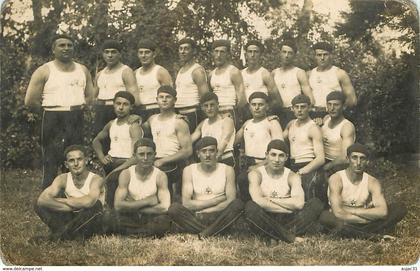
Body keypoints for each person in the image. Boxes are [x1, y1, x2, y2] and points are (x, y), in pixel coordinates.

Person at [25, 34, 95, 189]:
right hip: (52, 116)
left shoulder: (82, 70)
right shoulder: (44, 70)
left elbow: (90, 95)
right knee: (51, 158)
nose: (66, 48)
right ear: (53, 49)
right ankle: (48, 196)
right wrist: (50, 111)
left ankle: (73, 192)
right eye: (62, 45)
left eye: (69, 45)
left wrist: (79, 108)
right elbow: (30, 100)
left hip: (76, 116)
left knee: (75, 157)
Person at [111, 86, 193, 201]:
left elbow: (187, 151)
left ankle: (166, 207)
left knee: (161, 184)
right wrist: (137, 118)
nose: (164, 100)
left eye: (168, 97)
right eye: (161, 97)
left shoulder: (179, 122)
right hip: (153, 160)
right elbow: (140, 129)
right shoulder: (152, 119)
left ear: (174, 100)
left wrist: (163, 160)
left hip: (172, 163)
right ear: (157, 99)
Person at [319, 143, 407, 239]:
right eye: (354, 158)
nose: (358, 162)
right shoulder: (336, 178)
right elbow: (338, 212)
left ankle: (353, 233)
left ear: (367, 162)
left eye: (362, 158)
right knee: (326, 217)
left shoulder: (372, 182)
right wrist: (364, 220)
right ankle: (374, 236)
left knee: (399, 208)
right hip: (343, 219)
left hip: (358, 218)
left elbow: (382, 212)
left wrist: (354, 211)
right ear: (348, 159)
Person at [244, 140, 324, 244]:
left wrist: (270, 199)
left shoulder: (292, 176)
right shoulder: (256, 173)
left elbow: (299, 204)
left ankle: (272, 235)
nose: (276, 160)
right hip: (266, 216)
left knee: (315, 204)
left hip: (287, 219)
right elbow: (258, 200)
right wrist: (287, 207)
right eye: (273, 155)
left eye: (281, 156)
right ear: (266, 155)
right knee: (251, 207)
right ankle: (290, 237)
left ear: (286, 157)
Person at [168, 137, 244, 237]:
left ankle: (204, 233)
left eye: (212, 151)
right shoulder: (189, 170)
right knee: (174, 209)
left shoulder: (227, 170)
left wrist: (208, 211)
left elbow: (231, 200)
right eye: (204, 151)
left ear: (217, 152)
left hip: (219, 214)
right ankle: (215, 231)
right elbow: (187, 204)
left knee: (238, 204)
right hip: (197, 215)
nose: (208, 155)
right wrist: (216, 200)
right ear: (198, 154)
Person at [34, 145, 104, 241]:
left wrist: (62, 200)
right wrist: (72, 204)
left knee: (96, 206)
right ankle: (69, 235)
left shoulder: (96, 179)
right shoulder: (62, 178)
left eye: (79, 159)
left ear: (86, 161)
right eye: (71, 160)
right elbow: (42, 200)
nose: (76, 163)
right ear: (66, 164)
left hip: (89, 221)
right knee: (38, 204)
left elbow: (89, 202)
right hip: (70, 215)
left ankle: (58, 236)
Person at [103, 138, 171, 236]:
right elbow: (118, 205)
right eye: (141, 154)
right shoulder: (126, 173)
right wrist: (147, 201)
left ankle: (132, 232)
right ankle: (143, 233)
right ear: (135, 156)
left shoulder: (160, 176)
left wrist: (133, 207)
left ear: (155, 155)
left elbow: (164, 207)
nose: (145, 158)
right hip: (130, 216)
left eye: (149, 154)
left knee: (164, 220)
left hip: (150, 216)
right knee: (109, 217)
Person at [92, 91, 143, 207]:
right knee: (109, 198)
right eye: (118, 103)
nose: (121, 107)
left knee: (124, 198)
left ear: (131, 107)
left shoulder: (134, 126)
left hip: (126, 164)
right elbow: (96, 141)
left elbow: (137, 155)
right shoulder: (111, 124)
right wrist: (101, 157)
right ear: (114, 105)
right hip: (111, 163)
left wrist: (117, 171)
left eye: (125, 104)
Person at [235, 92, 284, 200]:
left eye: (260, 105)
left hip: (265, 166)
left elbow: (279, 149)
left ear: (267, 106)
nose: (256, 108)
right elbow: (233, 141)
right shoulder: (247, 123)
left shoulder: (272, 122)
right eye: (253, 104)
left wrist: (259, 165)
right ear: (249, 106)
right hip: (247, 166)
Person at [283, 94, 325, 201]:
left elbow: (320, 159)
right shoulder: (291, 124)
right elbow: (277, 140)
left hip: (308, 167)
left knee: (307, 200)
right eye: (297, 107)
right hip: (293, 166)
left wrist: (301, 172)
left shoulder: (313, 128)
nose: (299, 110)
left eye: (303, 107)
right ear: (292, 109)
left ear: (309, 107)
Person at [93, 39, 138, 135]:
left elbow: (134, 97)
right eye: (107, 52)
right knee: (100, 140)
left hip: (118, 111)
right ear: (103, 54)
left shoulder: (126, 71)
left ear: (120, 54)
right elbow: (94, 96)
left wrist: (132, 115)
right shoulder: (100, 74)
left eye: (113, 52)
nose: (110, 55)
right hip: (101, 112)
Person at [308, 41, 357, 123]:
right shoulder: (309, 74)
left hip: (334, 115)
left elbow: (352, 100)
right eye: (319, 55)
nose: (322, 58)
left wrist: (335, 112)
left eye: (325, 54)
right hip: (312, 115)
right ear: (315, 56)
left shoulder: (340, 73)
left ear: (331, 56)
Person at [272, 40, 315, 128]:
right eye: (284, 52)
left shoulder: (299, 72)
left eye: (290, 53)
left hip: (294, 113)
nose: (286, 55)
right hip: (277, 113)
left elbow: (310, 98)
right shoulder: (274, 73)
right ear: (280, 53)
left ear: (294, 55)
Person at [209, 39, 247, 128]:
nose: (219, 55)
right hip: (215, 113)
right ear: (213, 53)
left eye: (222, 52)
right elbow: (210, 97)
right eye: (216, 51)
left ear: (228, 54)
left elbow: (242, 99)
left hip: (230, 111)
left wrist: (235, 115)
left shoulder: (233, 72)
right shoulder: (211, 74)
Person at [191, 92, 236, 167]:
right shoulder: (203, 123)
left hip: (225, 158)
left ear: (218, 105)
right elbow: (189, 140)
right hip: (209, 159)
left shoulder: (226, 121)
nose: (209, 108)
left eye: (212, 105)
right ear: (202, 107)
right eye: (206, 106)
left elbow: (224, 143)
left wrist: (209, 163)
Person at [241, 40, 282, 120]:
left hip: (261, 115)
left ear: (260, 55)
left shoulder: (265, 74)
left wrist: (267, 113)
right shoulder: (241, 73)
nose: (252, 55)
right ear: (246, 55)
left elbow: (277, 100)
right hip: (245, 115)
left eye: (256, 52)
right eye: (250, 52)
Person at [175, 38, 209, 132]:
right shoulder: (181, 70)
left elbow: (205, 97)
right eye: (180, 49)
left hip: (193, 113)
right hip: (180, 113)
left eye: (186, 49)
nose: (183, 52)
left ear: (193, 51)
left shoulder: (197, 71)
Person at [134, 39, 173, 122]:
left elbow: (170, 97)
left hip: (156, 111)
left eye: (147, 52)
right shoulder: (135, 73)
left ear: (154, 54)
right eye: (141, 52)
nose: (143, 55)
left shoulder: (161, 72)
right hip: (139, 112)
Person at [322, 91, 356, 175]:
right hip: (323, 161)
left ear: (343, 106)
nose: (332, 108)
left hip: (338, 165)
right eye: (329, 104)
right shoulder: (326, 119)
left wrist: (326, 167)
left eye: (336, 105)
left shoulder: (346, 127)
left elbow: (345, 158)